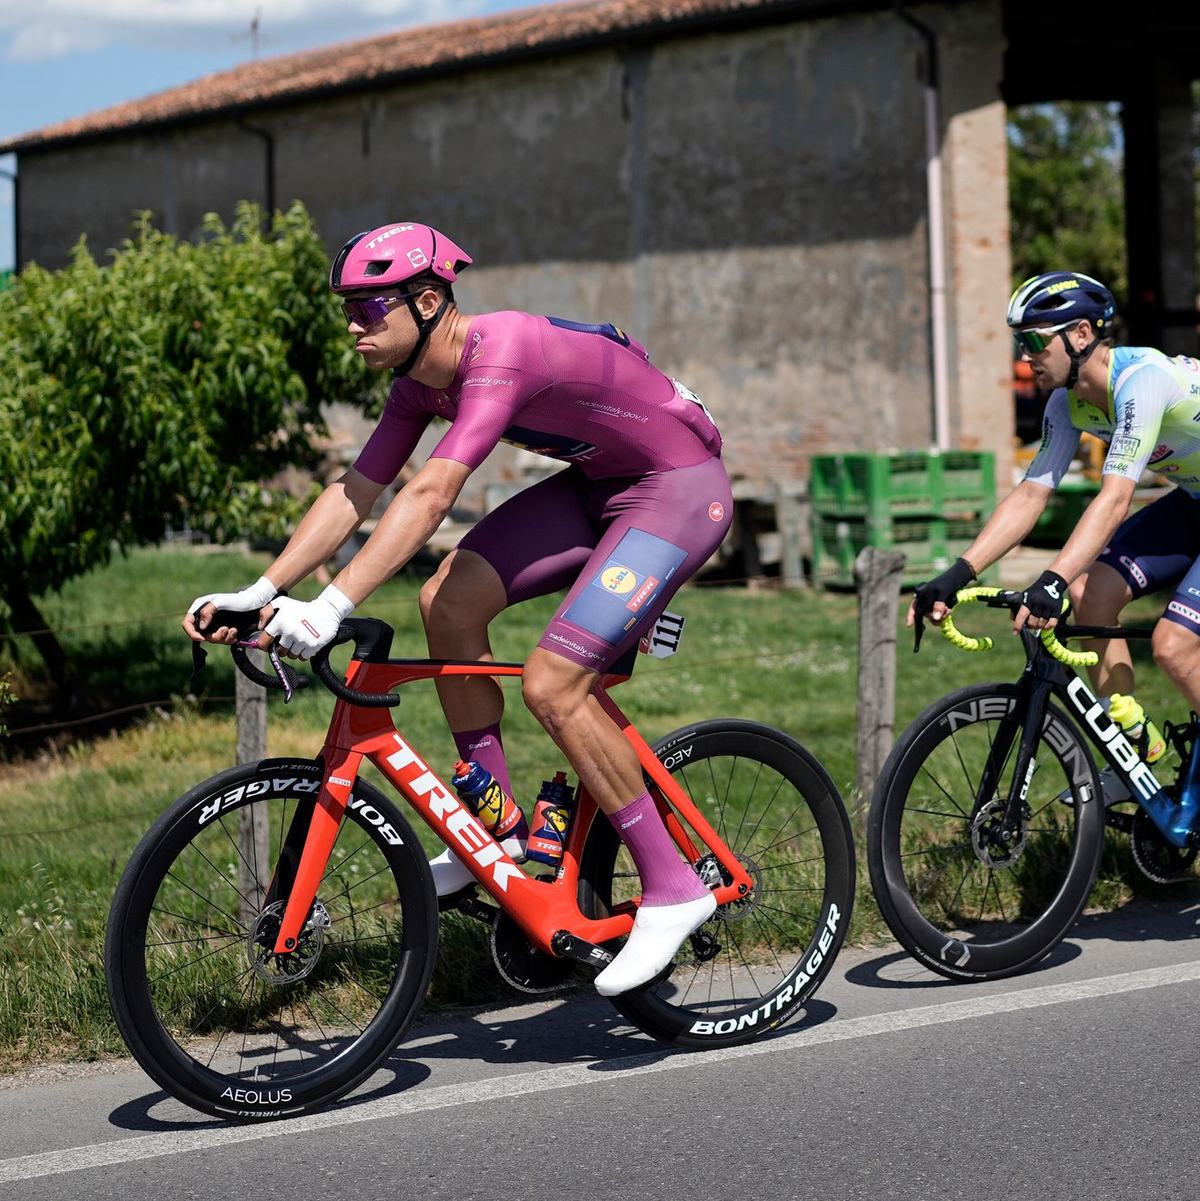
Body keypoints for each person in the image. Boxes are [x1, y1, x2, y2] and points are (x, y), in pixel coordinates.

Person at [183, 221, 733, 996]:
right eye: (347, 308)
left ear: (429, 298)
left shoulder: (498, 352)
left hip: (676, 490)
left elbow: (433, 491)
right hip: (596, 490)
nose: (352, 326)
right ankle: (496, 828)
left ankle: (676, 888)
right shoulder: (417, 385)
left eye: (369, 309)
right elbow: (356, 490)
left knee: (552, 682)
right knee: (446, 600)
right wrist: (265, 589)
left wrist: (334, 604)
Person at [909, 270, 1200, 801]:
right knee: (1090, 595)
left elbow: (1114, 498)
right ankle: (1134, 744)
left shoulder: (1143, 380)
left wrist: (1052, 579)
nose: (1026, 356)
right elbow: (1030, 495)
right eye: (1020, 343)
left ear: (1082, 334)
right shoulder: (1065, 404)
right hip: (1194, 501)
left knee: (1173, 648)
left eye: (1035, 341)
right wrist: (956, 573)